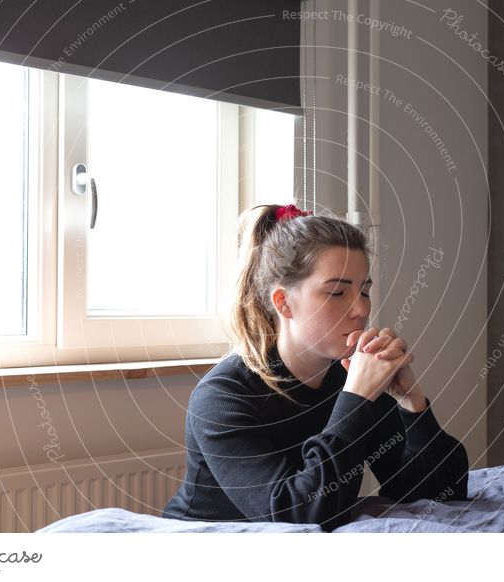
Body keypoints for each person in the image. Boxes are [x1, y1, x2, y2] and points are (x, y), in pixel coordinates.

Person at [161, 203, 468, 531]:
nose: (361, 308)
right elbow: (296, 517)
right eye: (337, 292)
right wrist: (356, 401)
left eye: (364, 290)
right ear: (284, 303)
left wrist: (412, 403)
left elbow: (438, 494)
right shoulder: (223, 397)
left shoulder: (347, 377)